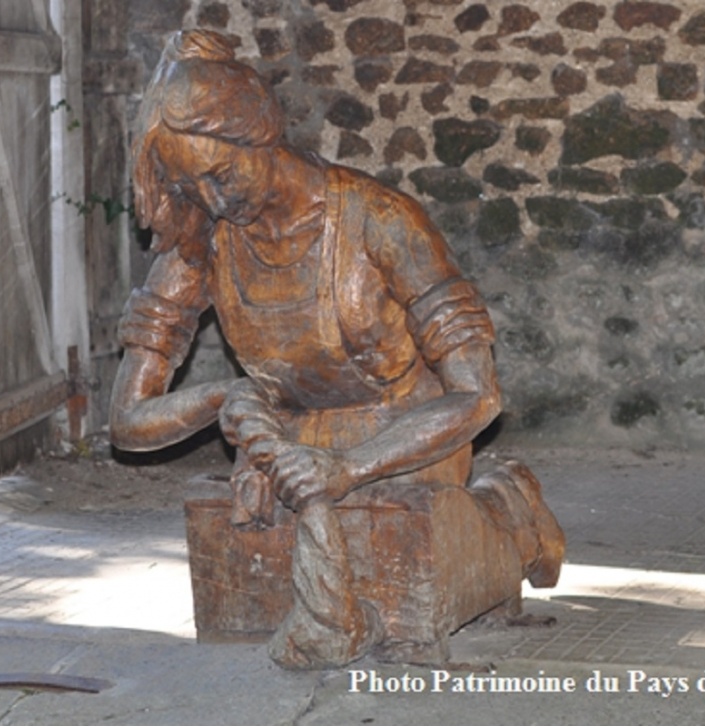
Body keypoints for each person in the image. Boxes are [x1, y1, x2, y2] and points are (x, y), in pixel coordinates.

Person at [109, 29, 564, 668]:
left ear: (257, 131)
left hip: (405, 433)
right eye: (193, 189)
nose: (213, 200)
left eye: (219, 174)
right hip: (291, 440)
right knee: (242, 521)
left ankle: (507, 503)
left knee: (385, 524)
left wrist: (350, 466)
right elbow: (127, 423)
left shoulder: (380, 220)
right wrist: (222, 396)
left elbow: (479, 393)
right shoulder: (203, 241)